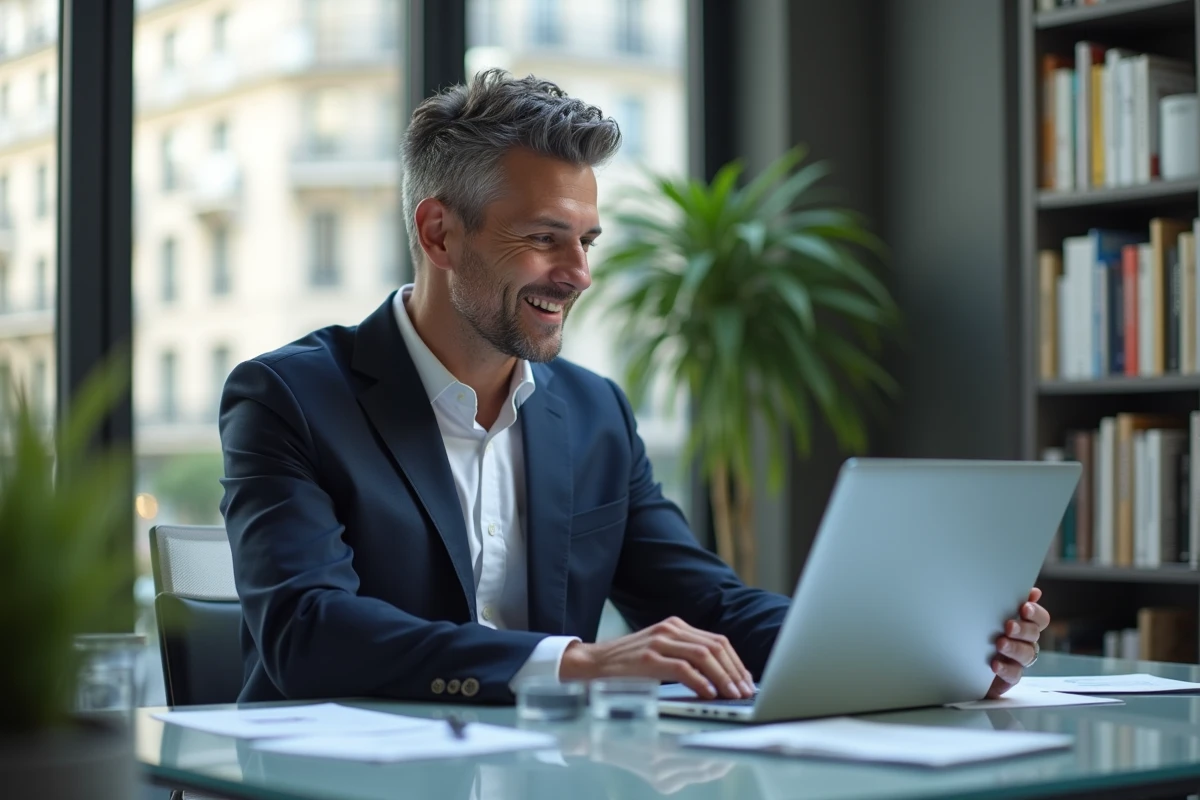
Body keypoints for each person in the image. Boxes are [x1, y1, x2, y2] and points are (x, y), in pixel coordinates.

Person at [218, 69, 1049, 705]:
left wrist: (918, 648)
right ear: (439, 233)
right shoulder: (288, 399)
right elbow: (307, 633)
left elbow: (708, 603)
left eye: (586, 241)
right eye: (545, 239)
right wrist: (574, 663)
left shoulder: (594, 414)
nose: (578, 274)